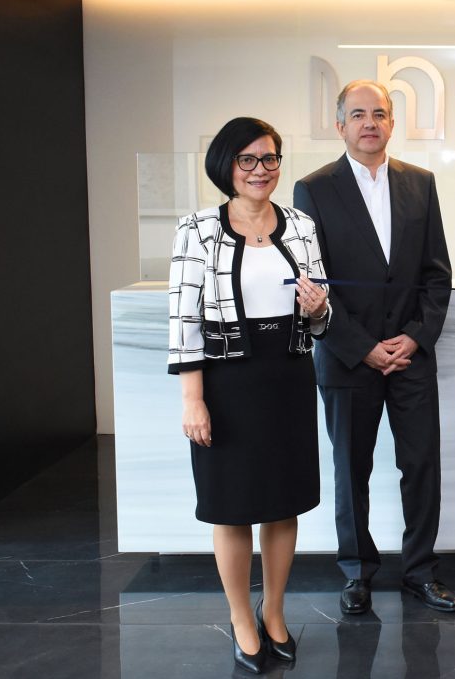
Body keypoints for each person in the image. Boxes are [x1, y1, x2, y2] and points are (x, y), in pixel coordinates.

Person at [293, 80, 455, 615]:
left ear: (392, 123)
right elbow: (313, 283)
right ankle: (356, 573)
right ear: (340, 125)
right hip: (347, 358)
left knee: (422, 466)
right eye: (358, 114)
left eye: (380, 114)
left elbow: (437, 274)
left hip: (411, 354)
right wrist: (363, 347)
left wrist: (415, 336)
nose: (370, 123)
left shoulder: (421, 184)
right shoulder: (313, 189)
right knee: (351, 470)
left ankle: (420, 571)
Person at [168, 117, 330, 674]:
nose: (261, 170)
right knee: (232, 505)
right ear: (227, 165)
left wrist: (319, 309)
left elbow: (322, 317)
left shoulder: (302, 226)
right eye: (248, 160)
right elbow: (184, 319)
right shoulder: (196, 229)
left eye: (270, 158)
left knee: (283, 503)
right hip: (226, 382)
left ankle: (275, 612)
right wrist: (193, 399)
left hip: (288, 377)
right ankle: (241, 619)